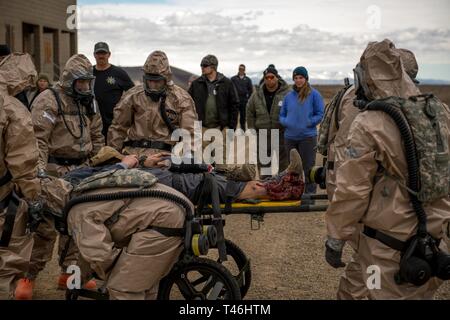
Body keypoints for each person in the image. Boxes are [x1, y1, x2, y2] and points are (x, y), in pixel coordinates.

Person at [325, 39, 450, 299]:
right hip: (434, 244)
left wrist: (336, 237)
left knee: (372, 289)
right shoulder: (438, 112)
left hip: (387, 248)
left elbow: (352, 191)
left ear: (368, 77)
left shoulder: (371, 123)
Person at [16, 54, 104, 299]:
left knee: (77, 226)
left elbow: (97, 136)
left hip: (83, 170)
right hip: (54, 170)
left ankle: (68, 274)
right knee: (45, 226)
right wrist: (40, 173)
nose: (86, 87)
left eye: (88, 82)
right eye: (81, 83)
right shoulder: (49, 99)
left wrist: (100, 164)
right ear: (69, 81)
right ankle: (27, 277)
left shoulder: (88, 102)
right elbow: (37, 139)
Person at [0, 60, 41, 300]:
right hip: (5, 200)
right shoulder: (13, 109)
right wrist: (34, 197)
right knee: (8, 261)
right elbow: (23, 163)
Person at [108, 50, 197, 158]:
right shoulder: (133, 95)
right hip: (134, 156)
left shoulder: (181, 99)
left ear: (166, 79)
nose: (153, 85)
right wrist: (114, 158)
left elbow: (190, 134)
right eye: (150, 81)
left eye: (157, 81)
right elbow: (118, 128)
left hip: (165, 158)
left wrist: (187, 160)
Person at [188, 55, 239, 168]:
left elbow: (234, 106)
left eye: (205, 65)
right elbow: (188, 104)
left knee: (221, 163)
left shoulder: (227, 83)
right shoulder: (197, 84)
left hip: (221, 129)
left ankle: (221, 184)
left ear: (213, 67)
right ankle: (205, 184)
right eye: (201, 65)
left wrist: (230, 128)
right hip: (202, 129)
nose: (202, 67)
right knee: (202, 163)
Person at [280, 66, 324, 195]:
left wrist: (309, 122)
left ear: (306, 78)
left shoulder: (314, 95)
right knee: (293, 167)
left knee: (308, 168)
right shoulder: (288, 96)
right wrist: (286, 122)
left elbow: (320, 113)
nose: (298, 80)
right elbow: (282, 114)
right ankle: (294, 192)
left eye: (301, 77)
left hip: (308, 137)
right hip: (290, 137)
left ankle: (310, 194)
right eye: (296, 78)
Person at [247, 64, 290, 178]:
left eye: (272, 77)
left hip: (281, 134)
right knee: (264, 166)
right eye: (267, 78)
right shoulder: (257, 95)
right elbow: (250, 111)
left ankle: (283, 188)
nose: (269, 80)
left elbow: (292, 110)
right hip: (263, 135)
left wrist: (289, 127)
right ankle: (265, 190)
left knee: (284, 165)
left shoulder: (286, 94)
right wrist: (252, 128)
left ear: (277, 77)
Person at [93, 42, 135, 139]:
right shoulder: (89, 73)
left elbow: (133, 94)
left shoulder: (118, 73)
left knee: (113, 152)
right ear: (94, 55)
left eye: (103, 53)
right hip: (93, 123)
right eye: (98, 53)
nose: (101, 56)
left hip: (114, 123)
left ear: (109, 54)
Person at [231, 64, 253, 130]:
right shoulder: (233, 79)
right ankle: (232, 131)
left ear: (244, 70)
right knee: (234, 117)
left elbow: (250, 90)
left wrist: (247, 98)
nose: (241, 70)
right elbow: (230, 89)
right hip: (235, 101)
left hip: (244, 101)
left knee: (243, 117)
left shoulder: (248, 80)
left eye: (242, 69)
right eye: (240, 69)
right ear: (238, 69)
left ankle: (243, 130)